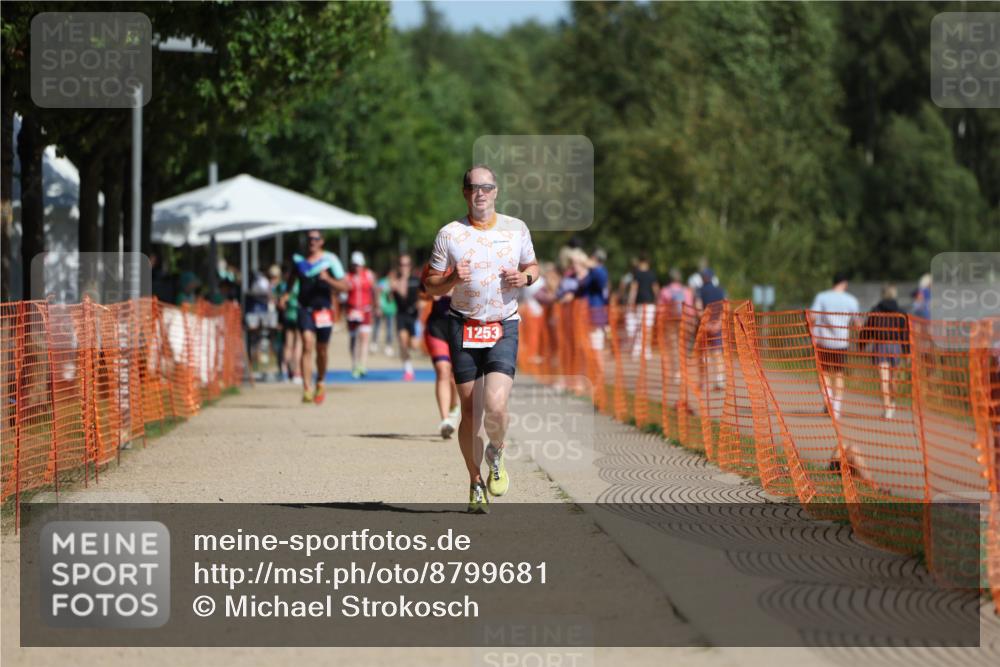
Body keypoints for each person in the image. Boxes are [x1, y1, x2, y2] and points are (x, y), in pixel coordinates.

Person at [423, 165, 539, 513]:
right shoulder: (449, 234)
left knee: (497, 407)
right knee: (471, 413)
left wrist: (525, 279)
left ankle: (496, 451)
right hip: (462, 325)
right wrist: (450, 280)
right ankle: (475, 482)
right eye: (474, 187)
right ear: (465, 193)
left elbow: (533, 266)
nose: (481, 193)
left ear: (496, 191)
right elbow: (429, 286)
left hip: (503, 324)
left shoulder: (516, 229)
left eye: (486, 187)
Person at [293, 230, 349, 404]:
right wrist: (286, 296)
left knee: (322, 349)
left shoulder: (330, 260)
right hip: (305, 309)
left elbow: (345, 286)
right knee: (307, 343)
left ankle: (320, 381)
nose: (312, 242)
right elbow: (290, 281)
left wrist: (328, 279)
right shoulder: (299, 261)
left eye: (316, 238)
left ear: (321, 241)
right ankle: (307, 388)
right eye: (309, 238)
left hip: (324, 310)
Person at [809, 271, 860, 424]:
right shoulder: (851, 300)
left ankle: (828, 400)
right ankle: (836, 408)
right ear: (844, 283)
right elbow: (857, 323)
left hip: (823, 341)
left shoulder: (822, 296)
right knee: (838, 374)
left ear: (833, 282)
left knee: (823, 373)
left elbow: (811, 316)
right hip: (841, 342)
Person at [420, 265, 460, 439]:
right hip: (437, 326)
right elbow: (422, 293)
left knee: (454, 376)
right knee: (443, 370)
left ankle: (454, 405)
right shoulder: (431, 267)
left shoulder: (468, 262)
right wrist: (433, 292)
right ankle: (445, 420)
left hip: (460, 326)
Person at [861, 285, 908, 420]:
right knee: (893, 378)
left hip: (880, 346)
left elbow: (868, 328)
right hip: (896, 347)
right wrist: (906, 351)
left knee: (884, 379)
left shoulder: (876, 310)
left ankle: (887, 409)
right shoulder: (901, 312)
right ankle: (892, 403)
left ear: (882, 295)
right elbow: (905, 332)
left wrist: (862, 343)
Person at [345, 251, 379, 379]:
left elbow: (374, 290)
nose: (357, 267)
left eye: (359, 265)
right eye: (354, 265)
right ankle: (354, 364)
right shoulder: (347, 276)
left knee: (364, 338)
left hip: (366, 310)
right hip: (352, 310)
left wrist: (377, 306)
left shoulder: (369, 275)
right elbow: (343, 293)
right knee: (354, 338)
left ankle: (362, 365)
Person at [391, 254, 422, 381]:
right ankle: (408, 370)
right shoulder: (395, 281)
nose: (404, 267)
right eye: (402, 264)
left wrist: (421, 304)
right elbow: (390, 298)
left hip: (414, 316)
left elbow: (423, 296)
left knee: (414, 346)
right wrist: (391, 289)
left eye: (406, 264)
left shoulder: (416, 280)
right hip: (401, 315)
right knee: (402, 342)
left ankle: (412, 342)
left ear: (410, 266)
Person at [698, 268, 726, 391]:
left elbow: (698, 307)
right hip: (717, 326)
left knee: (703, 354)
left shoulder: (700, 291)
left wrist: (705, 323)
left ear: (703, 278)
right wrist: (718, 323)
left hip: (704, 326)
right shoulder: (720, 291)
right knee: (717, 353)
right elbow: (725, 308)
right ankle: (719, 381)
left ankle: (703, 382)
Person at [627, 253, 659, 359]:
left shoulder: (637, 274)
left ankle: (638, 350)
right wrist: (658, 301)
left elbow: (633, 289)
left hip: (640, 303)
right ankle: (646, 350)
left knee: (640, 326)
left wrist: (631, 302)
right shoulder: (651, 274)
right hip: (649, 304)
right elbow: (656, 289)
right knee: (647, 327)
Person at [275, 263, 302, 383]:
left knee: (288, 344)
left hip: (287, 316)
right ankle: (296, 372)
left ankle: (284, 371)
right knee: (298, 345)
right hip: (297, 316)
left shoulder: (281, 286)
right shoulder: (298, 284)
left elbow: (278, 302)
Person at [373, 268, 397, 356]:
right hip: (382, 308)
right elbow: (377, 293)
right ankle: (374, 343)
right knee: (377, 326)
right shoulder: (383, 282)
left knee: (390, 329)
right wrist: (378, 306)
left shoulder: (395, 283)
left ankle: (388, 346)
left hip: (391, 309)